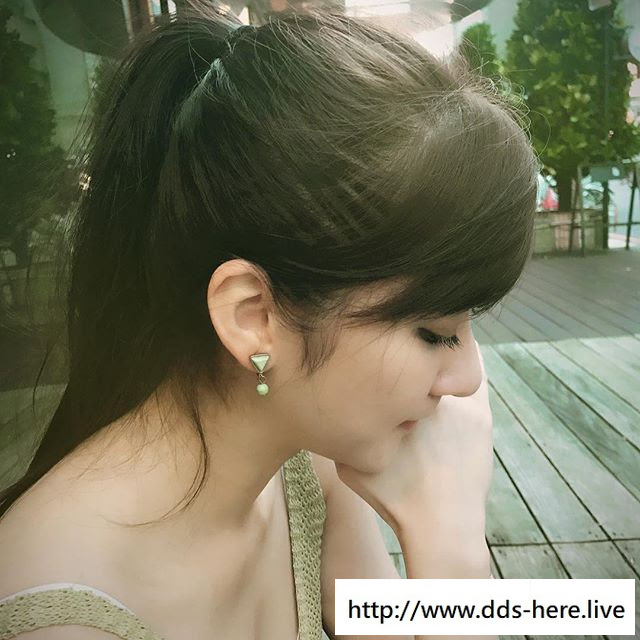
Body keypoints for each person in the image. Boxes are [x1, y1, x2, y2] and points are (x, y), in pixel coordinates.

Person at [0, 2, 538, 639]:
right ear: (253, 317)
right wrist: (454, 557)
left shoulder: (302, 463)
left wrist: (446, 540)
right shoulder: (61, 618)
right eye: (434, 333)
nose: (468, 379)